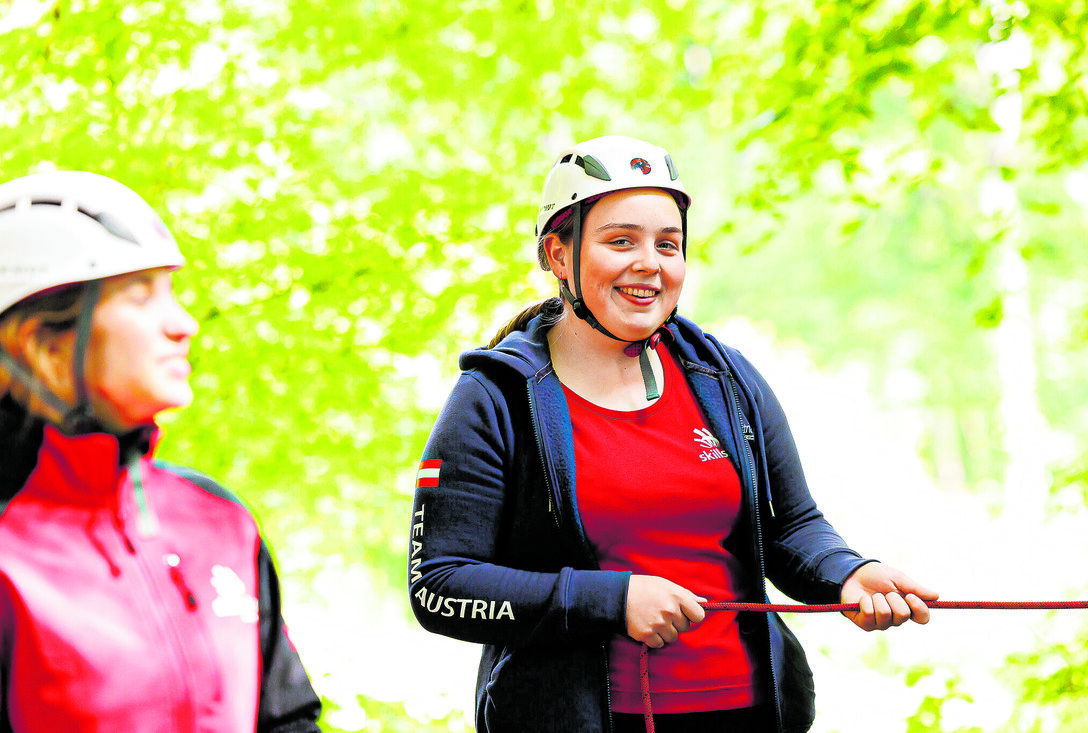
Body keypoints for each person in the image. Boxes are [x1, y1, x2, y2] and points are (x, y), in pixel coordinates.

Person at [408, 136, 939, 733]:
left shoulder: (725, 378)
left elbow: (791, 526)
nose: (650, 263)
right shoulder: (495, 398)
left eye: (669, 244)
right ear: (559, 255)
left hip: (750, 712)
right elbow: (439, 585)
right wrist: (610, 600)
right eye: (620, 241)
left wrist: (846, 573)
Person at [0, 171, 322, 732]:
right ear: (44, 346)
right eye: (141, 294)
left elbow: (285, 719)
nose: (184, 325)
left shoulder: (220, 520)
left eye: (172, 291)